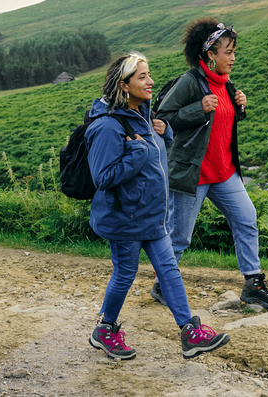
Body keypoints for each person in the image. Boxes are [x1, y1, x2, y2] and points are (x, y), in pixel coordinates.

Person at [85, 51, 230, 360]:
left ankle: (190, 333)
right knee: (125, 274)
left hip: (152, 215)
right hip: (125, 217)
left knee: (169, 269)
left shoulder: (141, 114)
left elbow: (155, 158)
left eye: (149, 75)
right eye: (142, 77)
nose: (151, 81)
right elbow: (103, 176)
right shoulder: (108, 126)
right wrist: (137, 153)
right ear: (124, 86)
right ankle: (105, 329)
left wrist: (165, 135)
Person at [153, 18, 268, 310]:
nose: (233, 57)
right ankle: (162, 284)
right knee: (179, 237)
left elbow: (220, 124)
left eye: (234, 51)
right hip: (194, 174)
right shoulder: (190, 82)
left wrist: (239, 107)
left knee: (246, 220)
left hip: (224, 172)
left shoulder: (227, 85)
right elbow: (162, 118)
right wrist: (196, 109)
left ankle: (253, 284)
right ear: (211, 54)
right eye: (228, 51)